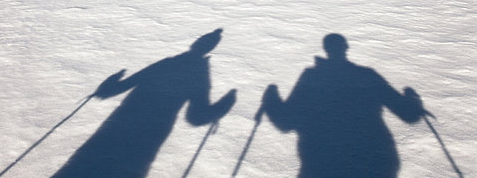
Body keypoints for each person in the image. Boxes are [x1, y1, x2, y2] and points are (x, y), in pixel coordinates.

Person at [52, 29, 236, 178]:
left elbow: (109, 92)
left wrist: (111, 81)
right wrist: (224, 105)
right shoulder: (199, 75)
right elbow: (196, 117)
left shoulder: (166, 64)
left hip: (117, 129)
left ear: (194, 44)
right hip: (148, 137)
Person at [257, 33, 425, 178]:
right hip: (375, 165)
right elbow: (409, 114)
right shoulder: (366, 76)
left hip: (322, 166)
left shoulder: (312, 79)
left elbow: (285, 122)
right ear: (346, 47)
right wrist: (413, 99)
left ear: (325, 49)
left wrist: (271, 98)